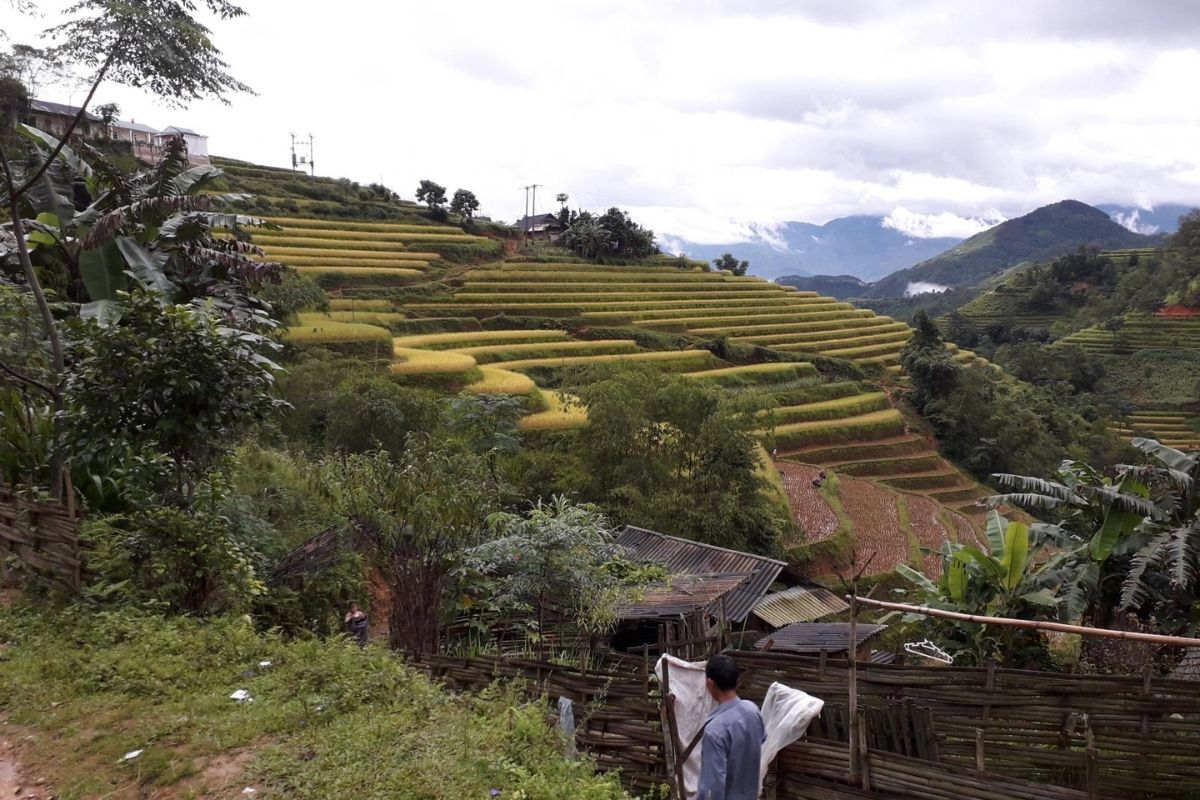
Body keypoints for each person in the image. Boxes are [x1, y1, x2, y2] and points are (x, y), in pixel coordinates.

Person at [697, 654, 765, 800]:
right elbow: (761, 738)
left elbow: (714, 785)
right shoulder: (752, 711)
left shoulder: (715, 730)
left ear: (710, 683)